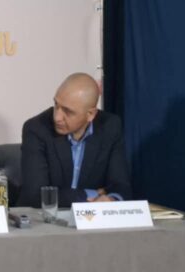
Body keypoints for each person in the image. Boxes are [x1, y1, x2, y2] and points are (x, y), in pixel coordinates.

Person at [18, 72, 131, 208]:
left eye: (67, 111)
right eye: (56, 105)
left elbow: (121, 185)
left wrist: (111, 199)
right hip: (45, 217)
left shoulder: (110, 127)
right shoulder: (36, 128)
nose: (57, 117)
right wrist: (91, 194)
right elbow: (36, 195)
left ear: (90, 114)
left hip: (92, 218)